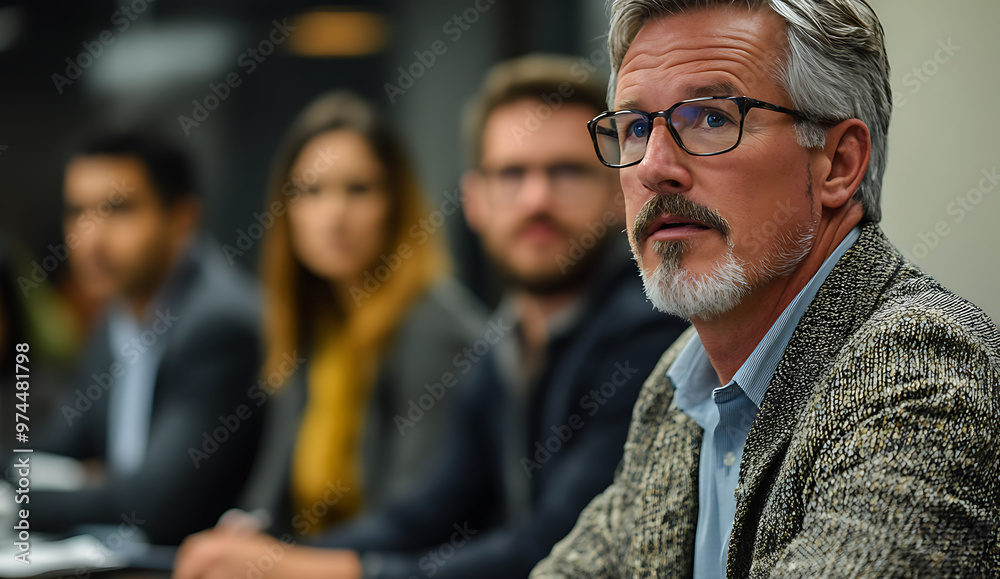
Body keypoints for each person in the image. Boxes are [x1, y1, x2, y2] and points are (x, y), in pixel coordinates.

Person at [530, 0, 1000, 578]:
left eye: (711, 118)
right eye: (637, 127)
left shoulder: (924, 371)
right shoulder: (679, 384)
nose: (652, 167)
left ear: (837, 164)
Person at [172, 56, 689, 579]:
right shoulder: (505, 338)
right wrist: (278, 561)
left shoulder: (648, 331)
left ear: (616, 190)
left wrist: (324, 571)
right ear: (474, 201)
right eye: (512, 174)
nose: (537, 199)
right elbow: (428, 513)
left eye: (567, 172)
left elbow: (557, 547)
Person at [190, 91, 487, 542]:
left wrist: (283, 566)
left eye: (359, 189)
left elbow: (413, 528)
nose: (334, 215)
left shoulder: (434, 330)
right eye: (311, 191)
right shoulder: (314, 325)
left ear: (396, 203)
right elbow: (266, 503)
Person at [27, 131, 264, 544]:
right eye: (77, 211)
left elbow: (155, 505)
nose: (90, 239)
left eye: (117, 209)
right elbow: (55, 447)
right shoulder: (116, 316)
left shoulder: (220, 325)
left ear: (182, 218)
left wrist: (23, 501)